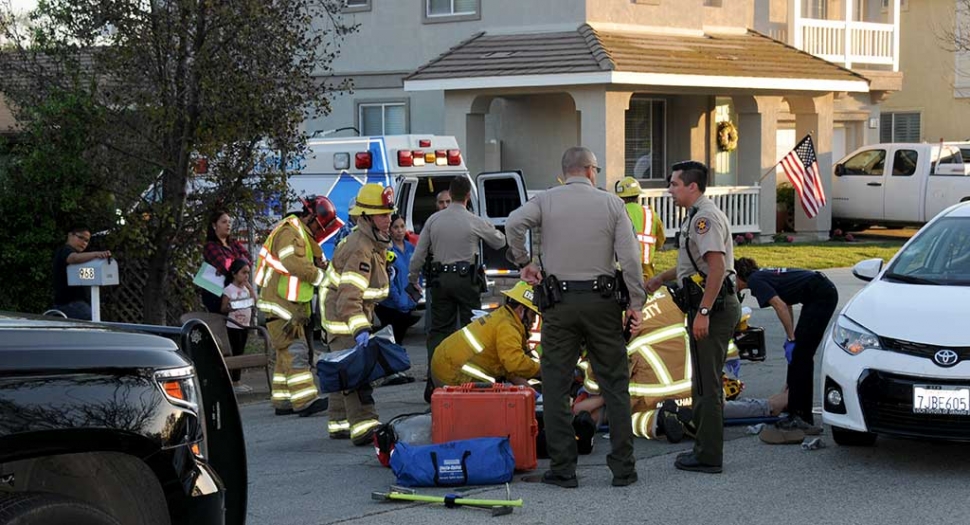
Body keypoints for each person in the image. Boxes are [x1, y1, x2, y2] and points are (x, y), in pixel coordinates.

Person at [506, 146, 645, 489]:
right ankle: (623, 468)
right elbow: (630, 259)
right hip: (602, 303)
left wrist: (524, 262)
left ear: (565, 171)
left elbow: (513, 222)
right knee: (614, 384)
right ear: (590, 170)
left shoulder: (547, 200)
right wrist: (636, 302)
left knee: (555, 385)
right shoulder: (612, 204)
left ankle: (564, 469)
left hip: (559, 304)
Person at [646, 160, 741, 474]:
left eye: (674, 184)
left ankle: (708, 455)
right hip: (707, 305)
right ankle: (704, 447)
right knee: (701, 381)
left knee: (706, 385)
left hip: (712, 308)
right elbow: (695, 263)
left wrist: (703, 313)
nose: (670, 189)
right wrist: (662, 277)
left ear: (692, 186)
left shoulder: (705, 219)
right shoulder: (696, 216)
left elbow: (716, 267)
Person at [408, 177, 506, 402]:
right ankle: (471, 377)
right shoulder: (473, 220)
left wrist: (413, 278)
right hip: (466, 282)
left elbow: (418, 255)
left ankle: (435, 381)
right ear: (468, 196)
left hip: (440, 281)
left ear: (450, 194)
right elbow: (499, 242)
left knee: (438, 331)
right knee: (472, 330)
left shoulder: (434, 220)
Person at [320, 183, 394, 446]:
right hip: (345, 318)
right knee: (355, 373)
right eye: (383, 215)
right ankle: (365, 426)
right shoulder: (360, 248)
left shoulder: (370, 243)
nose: (389, 220)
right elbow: (349, 296)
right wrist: (361, 329)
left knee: (342, 368)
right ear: (365, 217)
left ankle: (339, 423)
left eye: (389, 214)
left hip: (344, 314)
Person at [255, 195, 337, 417]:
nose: (319, 231)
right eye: (318, 226)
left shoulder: (300, 233)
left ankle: (283, 400)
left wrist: (321, 263)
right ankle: (305, 400)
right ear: (309, 216)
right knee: (295, 350)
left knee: (284, 353)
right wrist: (321, 277)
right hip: (281, 306)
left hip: (286, 305)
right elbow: (294, 264)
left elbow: (311, 256)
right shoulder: (290, 233)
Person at [734, 257, 838, 432]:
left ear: (737, 275)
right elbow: (786, 301)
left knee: (801, 356)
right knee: (798, 355)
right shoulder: (761, 276)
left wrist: (791, 338)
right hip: (819, 291)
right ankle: (793, 406)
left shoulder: (755, 280)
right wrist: (791, 336)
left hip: (821, 295)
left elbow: (779, 305)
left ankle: (802, 416)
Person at [430, 281, 541, 387]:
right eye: (532, 315)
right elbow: (515, 363)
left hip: (444, 366)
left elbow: (509, 368)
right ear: (521, 310)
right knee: (498, 401)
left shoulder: (503, 317)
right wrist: (542, 370)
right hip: (454, 375)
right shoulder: (508, 327)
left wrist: (531, 393)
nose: (533, 321)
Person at [374, 214, 420, 345]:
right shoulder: (386, 250)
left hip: (407, 303)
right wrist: (398, 300)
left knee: (399, 340)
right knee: (390, 341)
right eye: (395, 227)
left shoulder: (411, 248)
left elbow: (415, 272)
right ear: (389, 230)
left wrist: (415, 294)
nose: (400, 230)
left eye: (402, 226)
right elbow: (388, 279)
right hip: (390, 305)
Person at [52, 226, 111, 320]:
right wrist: (96, 254)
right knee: (94, 324)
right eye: (81, 238)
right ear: (70, 235)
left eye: (87, 241)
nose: (84, 243)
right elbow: (73, 258)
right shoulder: (66, 250)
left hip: (75, 303)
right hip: (70, 303)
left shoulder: (80, 256)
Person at [614, 176, 666, 280]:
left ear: (620, 197)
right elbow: (661, 239)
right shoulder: (650, 214)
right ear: (638, 196)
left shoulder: (616, 212)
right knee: (647, 293)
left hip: (622, 264)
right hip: (645, 266)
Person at [203, 210, 252, 313]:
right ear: (214, 225)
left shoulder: (233, 243)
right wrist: (239, 262)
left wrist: (234, 262)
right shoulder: (211, 246)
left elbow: (249, 259)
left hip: (237, 292)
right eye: (224, 222)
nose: (228, 225)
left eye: (229, 222)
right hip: (218, 295)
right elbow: (224, 267)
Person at [222, 258, 256, 394]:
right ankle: (234, 381)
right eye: (243, 273)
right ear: (234, 274)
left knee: (241, 352)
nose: (246, 276)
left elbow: (255, 300)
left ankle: (237, 380)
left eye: (248, 273)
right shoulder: (229, 289)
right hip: (233, 326)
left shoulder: (246, 289)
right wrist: (231, 308)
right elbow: (223, 308)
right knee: (236, 352)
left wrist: (249, 286)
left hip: (245, 325)